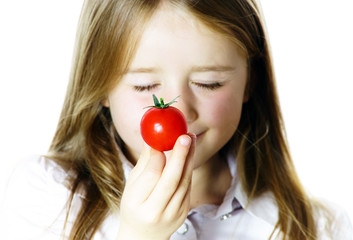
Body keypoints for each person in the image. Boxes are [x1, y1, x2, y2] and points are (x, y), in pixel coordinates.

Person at [2, 0, 352, 239]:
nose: (179, 114)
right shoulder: (48, 196)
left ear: (250, 82)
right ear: (101, 86)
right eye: (145, 85)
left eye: (208, 83)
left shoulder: (316, 227)